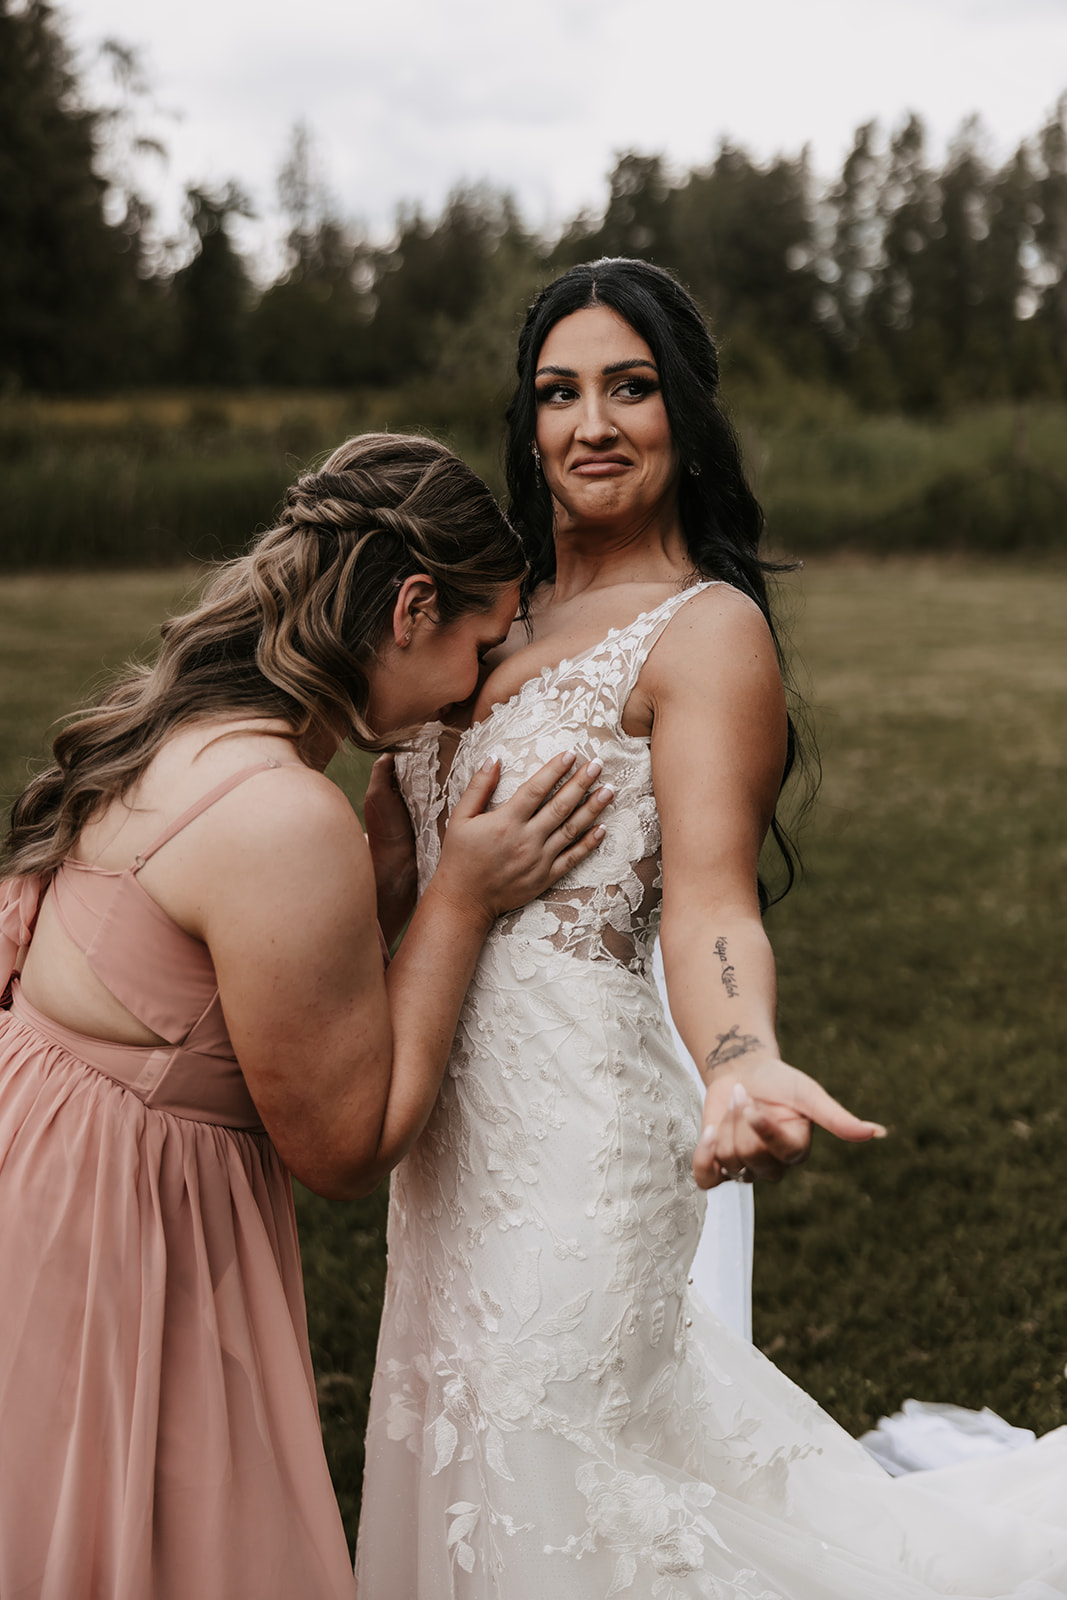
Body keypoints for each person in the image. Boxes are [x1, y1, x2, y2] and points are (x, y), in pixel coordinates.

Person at [355, 264, 1067, 1597]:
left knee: (553, 1489)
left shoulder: (703, 634)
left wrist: (737, 1054)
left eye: (629, 387)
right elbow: (363, 872)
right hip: (443, 1167)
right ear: (523, 422)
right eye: (556, 392)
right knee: (457, 1469)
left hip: (573, 1164)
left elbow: (711, 897)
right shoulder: (473, 614)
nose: (590, 424)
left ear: (683, 413)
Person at [0, 432, 613, 1600]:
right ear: (411, 605)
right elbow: (341, 1145)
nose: (472, 692)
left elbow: (224, 988)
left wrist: (376, 895)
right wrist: (459, 899)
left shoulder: (186, 730)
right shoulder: (283, 813)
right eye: (479, 647)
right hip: (120, 1246)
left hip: (42, 1183)